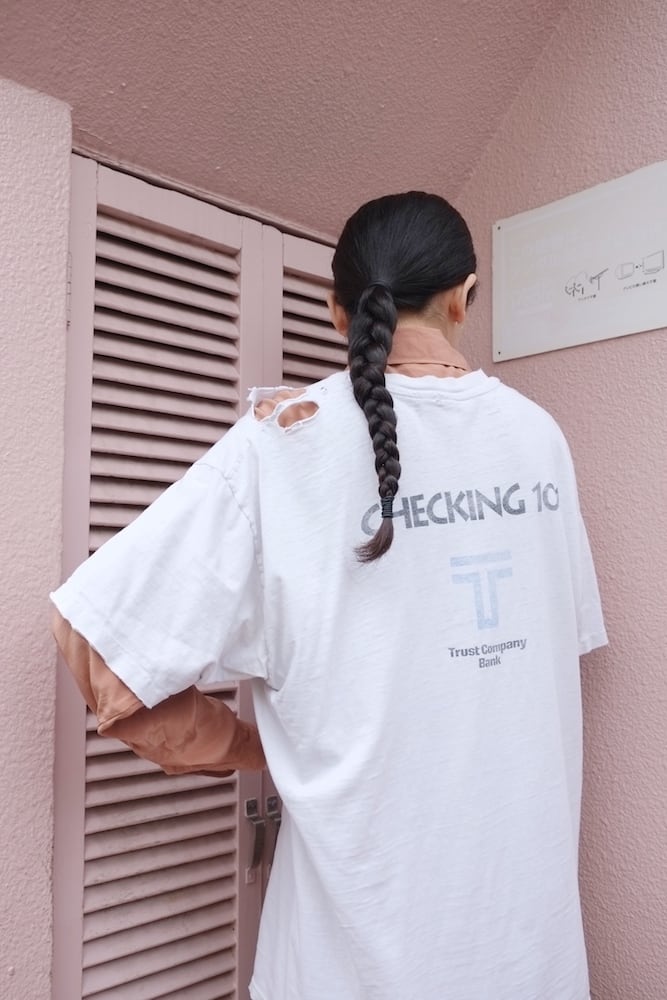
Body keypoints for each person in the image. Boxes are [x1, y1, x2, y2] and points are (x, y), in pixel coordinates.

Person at [51, 191, 607, 1000]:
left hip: (348, 959)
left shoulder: (285, 441)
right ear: (464, 296)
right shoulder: (539, 437)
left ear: (336, 309)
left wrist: (257, 750)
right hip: (530, 953)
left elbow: (96, 646)